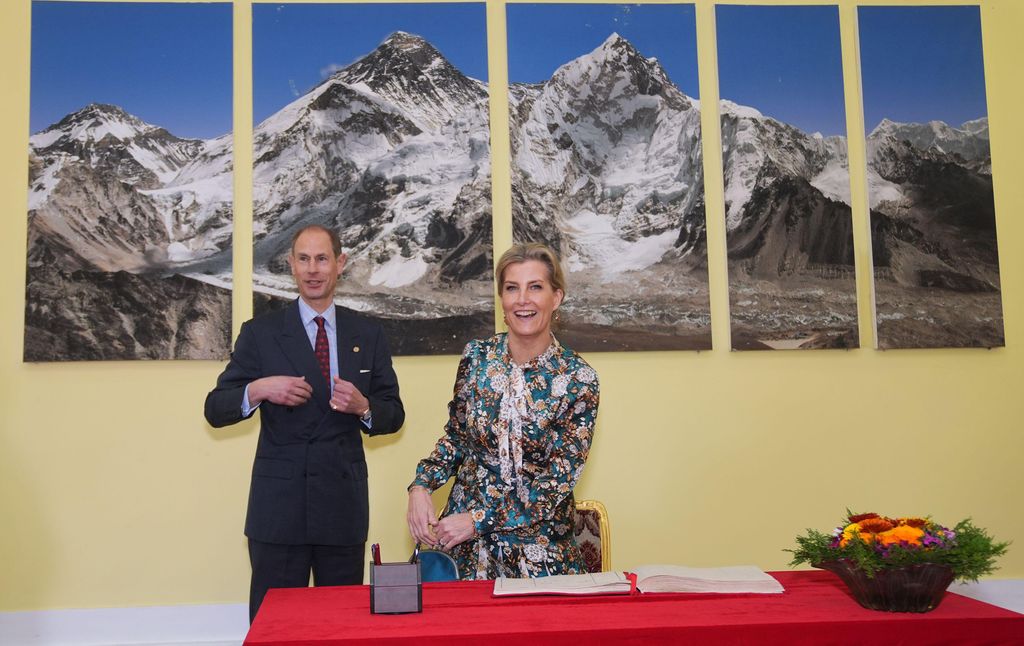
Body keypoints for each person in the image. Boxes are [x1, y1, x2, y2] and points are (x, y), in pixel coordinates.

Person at [205, 224, 405, 621]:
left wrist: (364, 406)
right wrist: (259, 389)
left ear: (339, 263)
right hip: (279, 511)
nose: (313, 269)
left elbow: (394, 413)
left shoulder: (367, 333)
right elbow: (216, 408)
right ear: (291, 266)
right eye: (303, 259)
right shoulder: (260, 334)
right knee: (276, 626)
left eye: (322, 258)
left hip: (342, 507)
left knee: (342, 625)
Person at [406, 242, 599, 579]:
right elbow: (457, 438)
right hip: (465, 553)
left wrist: (478, 520)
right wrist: (421, 485)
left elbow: (555, 482)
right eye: (512, 288)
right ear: (502, 299)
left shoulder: (578, 379)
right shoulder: (477, 358)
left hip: (540, 556)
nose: (522, 299)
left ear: (556, 298)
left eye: (535, 287)